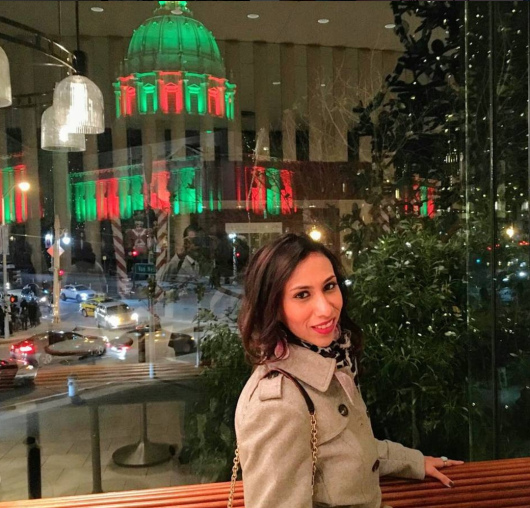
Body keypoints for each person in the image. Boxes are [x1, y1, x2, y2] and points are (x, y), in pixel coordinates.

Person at [235, 233, 463, 508]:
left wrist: (412, 462)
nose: (325, 308)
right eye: (302, 295)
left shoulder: (328, 362)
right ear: (274, 307)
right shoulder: (277, 404)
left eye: (329, 286)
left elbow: (345, 448)